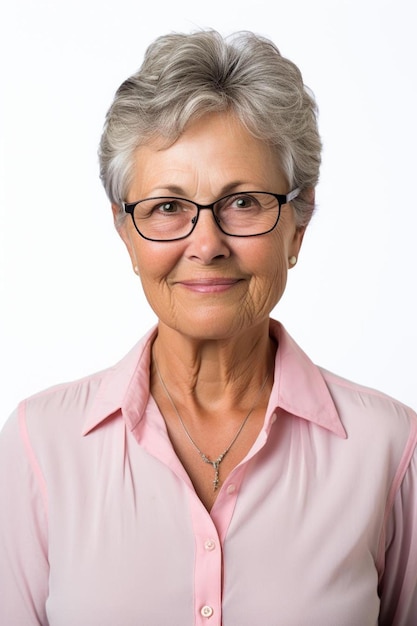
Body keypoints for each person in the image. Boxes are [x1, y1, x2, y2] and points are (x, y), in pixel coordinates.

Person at [0, 29, 416, 626]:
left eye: (243, 202)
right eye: (167, 207)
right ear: (125, 232)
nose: (206, 245)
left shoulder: (392, 450)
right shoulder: (39, 447)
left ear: (296, 226)